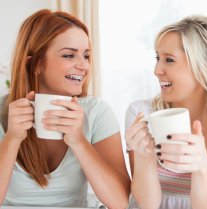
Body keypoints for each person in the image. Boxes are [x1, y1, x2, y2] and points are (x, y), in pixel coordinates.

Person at [0, 9, 130, 208]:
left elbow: (122, 203)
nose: (84, 66)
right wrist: (12, 138)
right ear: (35, 64)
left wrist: (79, 141)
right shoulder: (5, 114)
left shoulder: (97, 113)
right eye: (69, 55)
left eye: (86, 56)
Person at [124, 15, 207, 209]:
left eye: (169, 60)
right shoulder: (140, 113)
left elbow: (206, 206)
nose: (157, 70)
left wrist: (201, 166)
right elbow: (146, 204)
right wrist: (144, 157)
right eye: (158, 58)